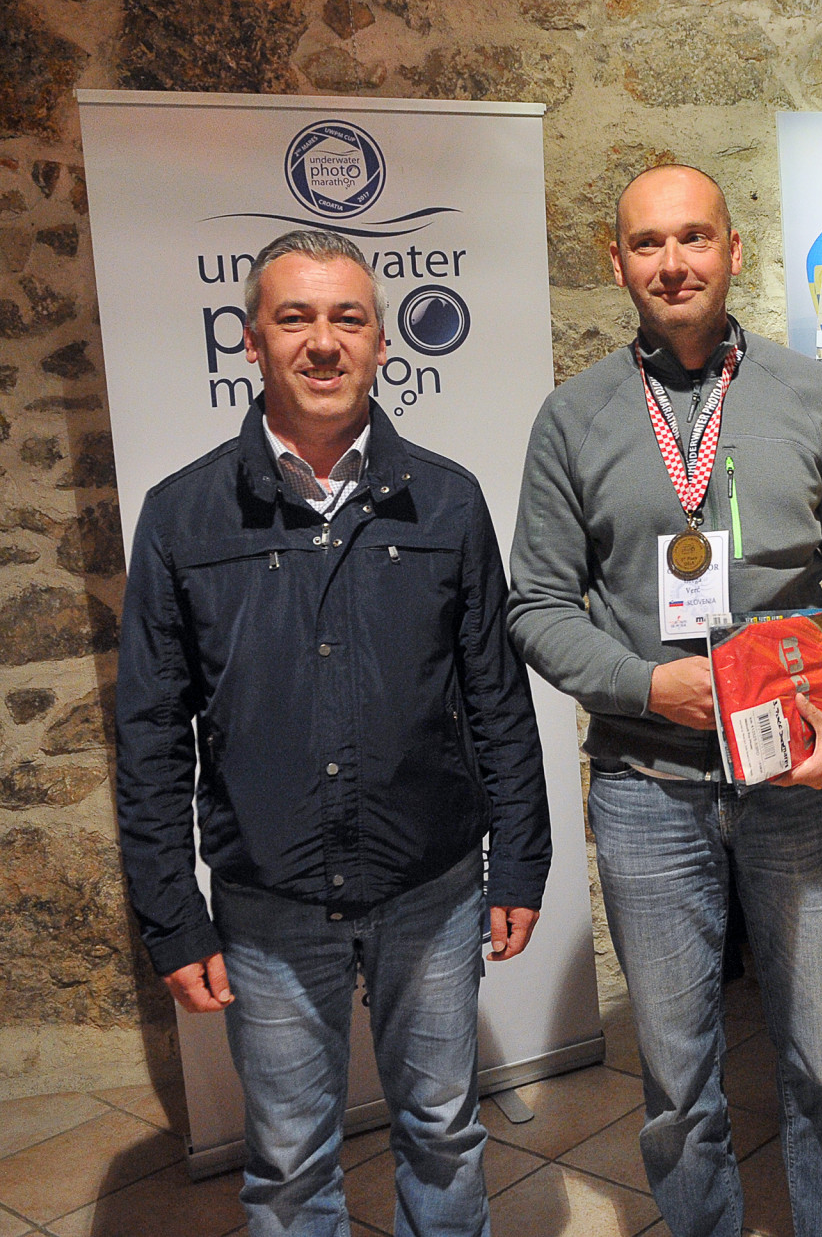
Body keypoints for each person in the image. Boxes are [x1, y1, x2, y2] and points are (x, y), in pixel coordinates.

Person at [115, 229, 551, 1236]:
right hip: (268, 904)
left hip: (432, 888)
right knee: (287, 1165)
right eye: (296, 318)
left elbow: (496, 695)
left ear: (382, 342)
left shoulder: (447, 500)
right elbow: (150, 735)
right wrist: (171, 914)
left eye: (348, 318)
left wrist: (522, 860)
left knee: (444, 1133)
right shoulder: (182, 516)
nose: (323, 342)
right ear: (251, 340)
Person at [507, 164, 822, 1237]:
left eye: (693, 238)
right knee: (679, 1086)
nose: (673, 263)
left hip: (796, 781)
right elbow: (536, 605)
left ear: (734, 249)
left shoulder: (816, 398)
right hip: (646, 787)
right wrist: (645, 683)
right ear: (617, 261)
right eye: (648, 243)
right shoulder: (574, 416)